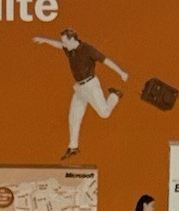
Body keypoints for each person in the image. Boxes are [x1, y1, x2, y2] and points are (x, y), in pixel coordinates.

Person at [31, 28, 128, 159]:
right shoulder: (69, 49)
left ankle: (115, 95)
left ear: (72, 39)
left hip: (91, 86)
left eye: (65, 41)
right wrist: (44, 40)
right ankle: (73, 147)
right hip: (80, 88)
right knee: (74, 116)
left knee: (104, 114)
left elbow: (106, 60)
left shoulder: (88, 49)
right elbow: (59, 45)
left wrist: (121, 73)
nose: (63, 44)